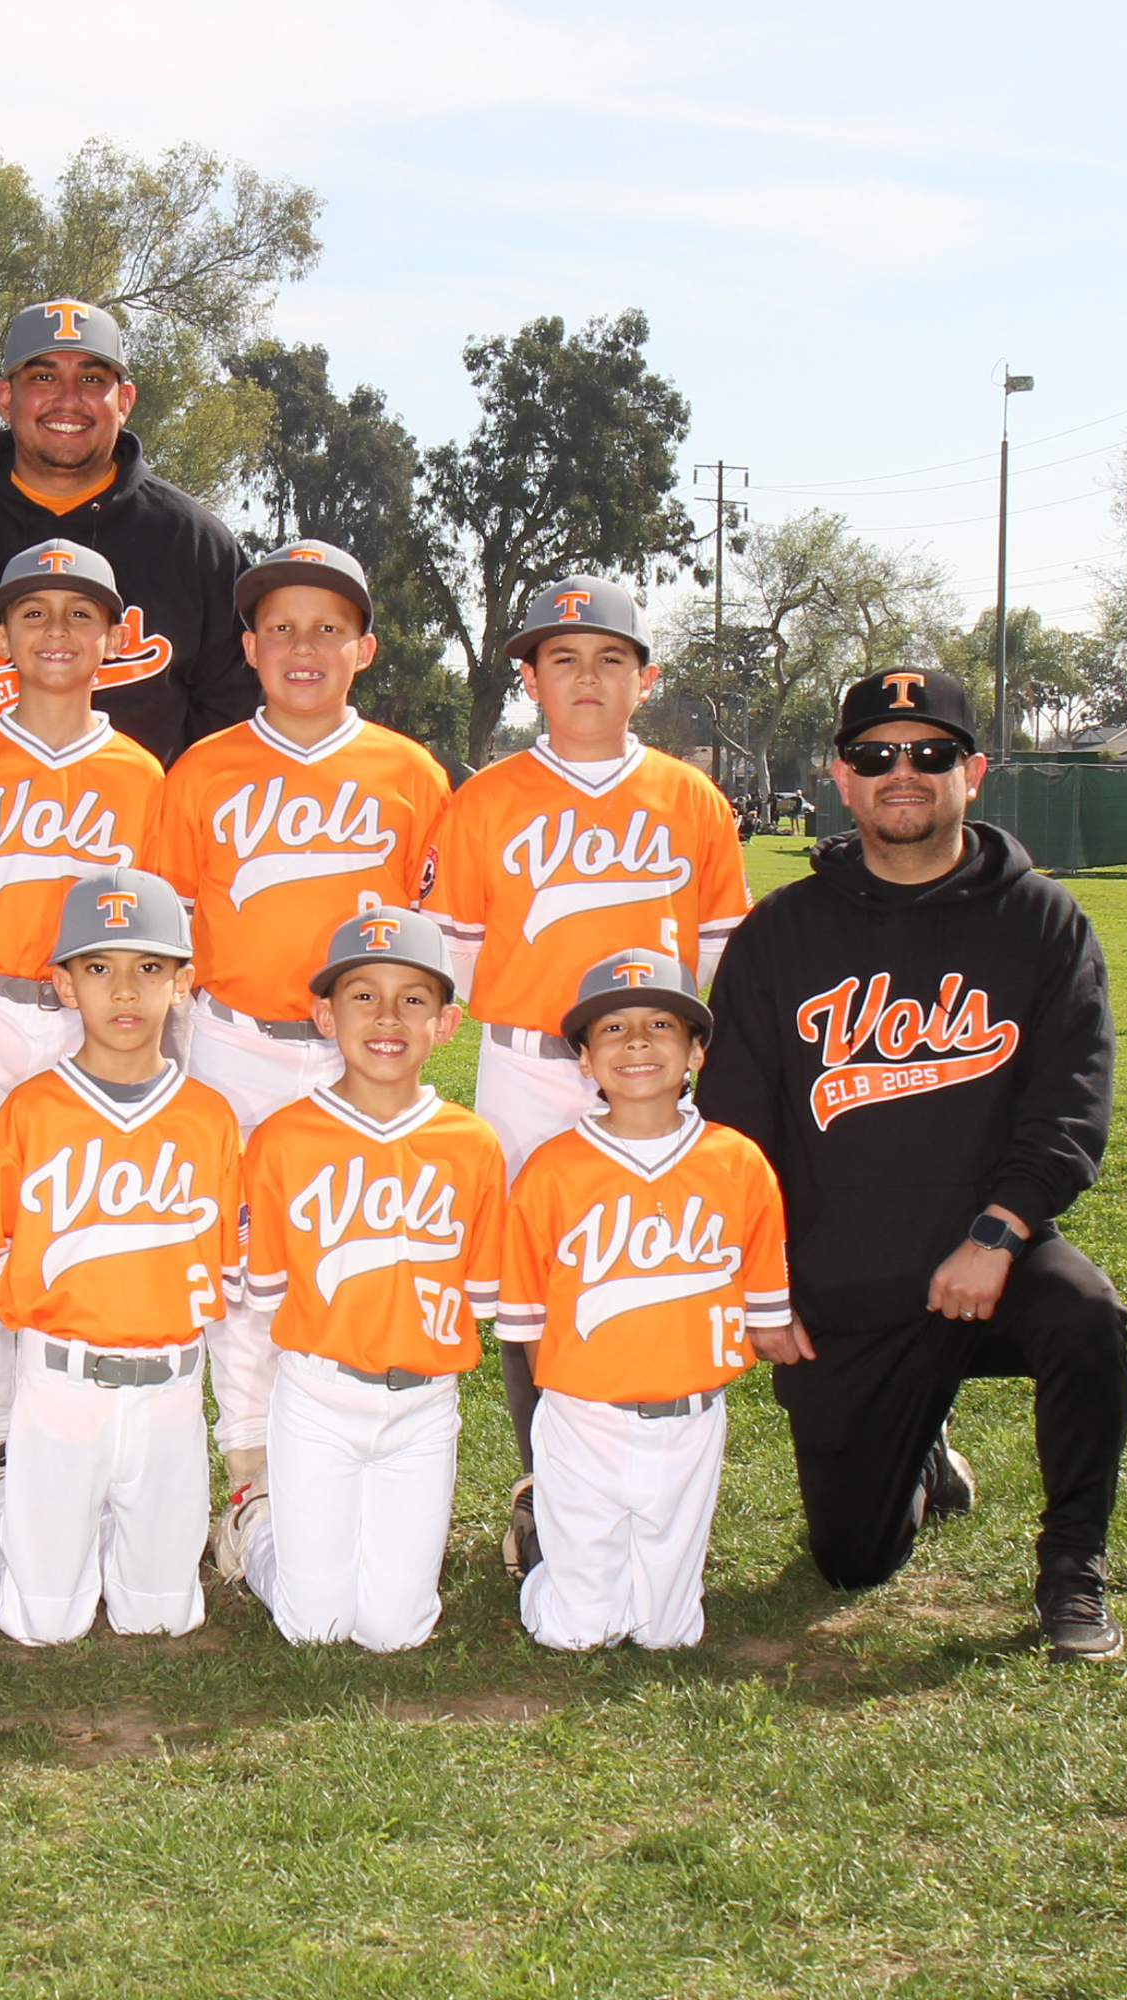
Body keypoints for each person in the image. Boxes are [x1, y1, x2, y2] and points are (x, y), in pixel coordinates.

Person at [697, 667, 1127, 1662]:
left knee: (1085, 1314)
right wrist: (765, 1283)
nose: (904, 771)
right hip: (844, 1278)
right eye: (875, 754)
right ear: (840, 778)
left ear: (972, 772)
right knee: (852, 1560)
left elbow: (1070, 1101)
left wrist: (998, 1231)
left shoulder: (1041, 920)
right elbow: (733, 1129)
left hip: (987, 1255)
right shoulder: (782, 931)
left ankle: (1073, 1567)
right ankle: (920, 1450)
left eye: (931, 752)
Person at [425, 575, 752, 1582]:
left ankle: (645, 1479)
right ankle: (545, 1483)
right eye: (561, 658)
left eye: (610, 658)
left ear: (644, 679)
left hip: (651, 1069)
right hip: (528, 1066)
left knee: (638, 1263)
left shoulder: (690, 798)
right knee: (533, 1279)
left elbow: (718, 953)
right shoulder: (484, 800)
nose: (586, 677)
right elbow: (454, 959)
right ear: (529, 679)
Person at [153, 539, 452, 1531]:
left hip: (360, 1052)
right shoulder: (202, 768)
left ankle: (345, 1451)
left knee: (357, 1243)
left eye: (329, 627)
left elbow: (436, 937)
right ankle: (251, 1469)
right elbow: (169, 927)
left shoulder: (411, 773)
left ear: (365, 648)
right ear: (249, 647)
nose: (304, 647)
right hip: (232, 1040)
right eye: (280, 627)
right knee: (240, 1257)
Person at [0, 538, 167, 1490]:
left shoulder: (143, 776)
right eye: (33, 614)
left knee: (77, 1215)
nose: (56, 631)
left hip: (88, 1022)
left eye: (79, 614)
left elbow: (160, 946)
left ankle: (59, 1429)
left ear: (114, 636)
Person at [0, 868, 240, 1645]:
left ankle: (85, 1523)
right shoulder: (30, 1110)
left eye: (150, 967)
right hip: (60, 1387)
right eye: (99, 967)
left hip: (172, 1392)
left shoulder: (210, 1118)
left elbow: (229, 1270)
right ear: (66, 986)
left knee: (160, 1617)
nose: (125, 990)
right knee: (43, 1622)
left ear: (183, 985)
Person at [0, 298, 253, 857]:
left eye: (92, 379)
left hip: (145, 861)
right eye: (43, 376)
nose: (68, 399)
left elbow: (233, 707)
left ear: (125, 400)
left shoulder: (192, 543)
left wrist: (147, 800)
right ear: (6, 397)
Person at [224, 908, 505, 1652]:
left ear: (447, 1023)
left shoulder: (472, 1144)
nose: (387, 1017)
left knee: (395, 1631)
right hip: (318, 1399)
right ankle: (256, 1527)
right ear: (325, 1016)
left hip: (425, 1407)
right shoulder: (283, 1138)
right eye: (362, 996)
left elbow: (477, 1295)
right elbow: (266, 1298)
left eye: (413, 999)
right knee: (313, 1627)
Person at [500, 949, 795, 1653]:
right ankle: (543, 1555)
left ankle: (603, 1570)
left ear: (696, 1050)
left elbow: (763, 1299)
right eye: (612, 1029)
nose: (636, 1042)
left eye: (661, 1024)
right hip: (583, 1418)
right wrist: (567, 1405)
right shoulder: (551, 1168)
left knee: (668, 1634)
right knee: (578, 1633)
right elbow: (529, 1320)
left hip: (691, 1419)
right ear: (584, 1058)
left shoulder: (737, 1161)